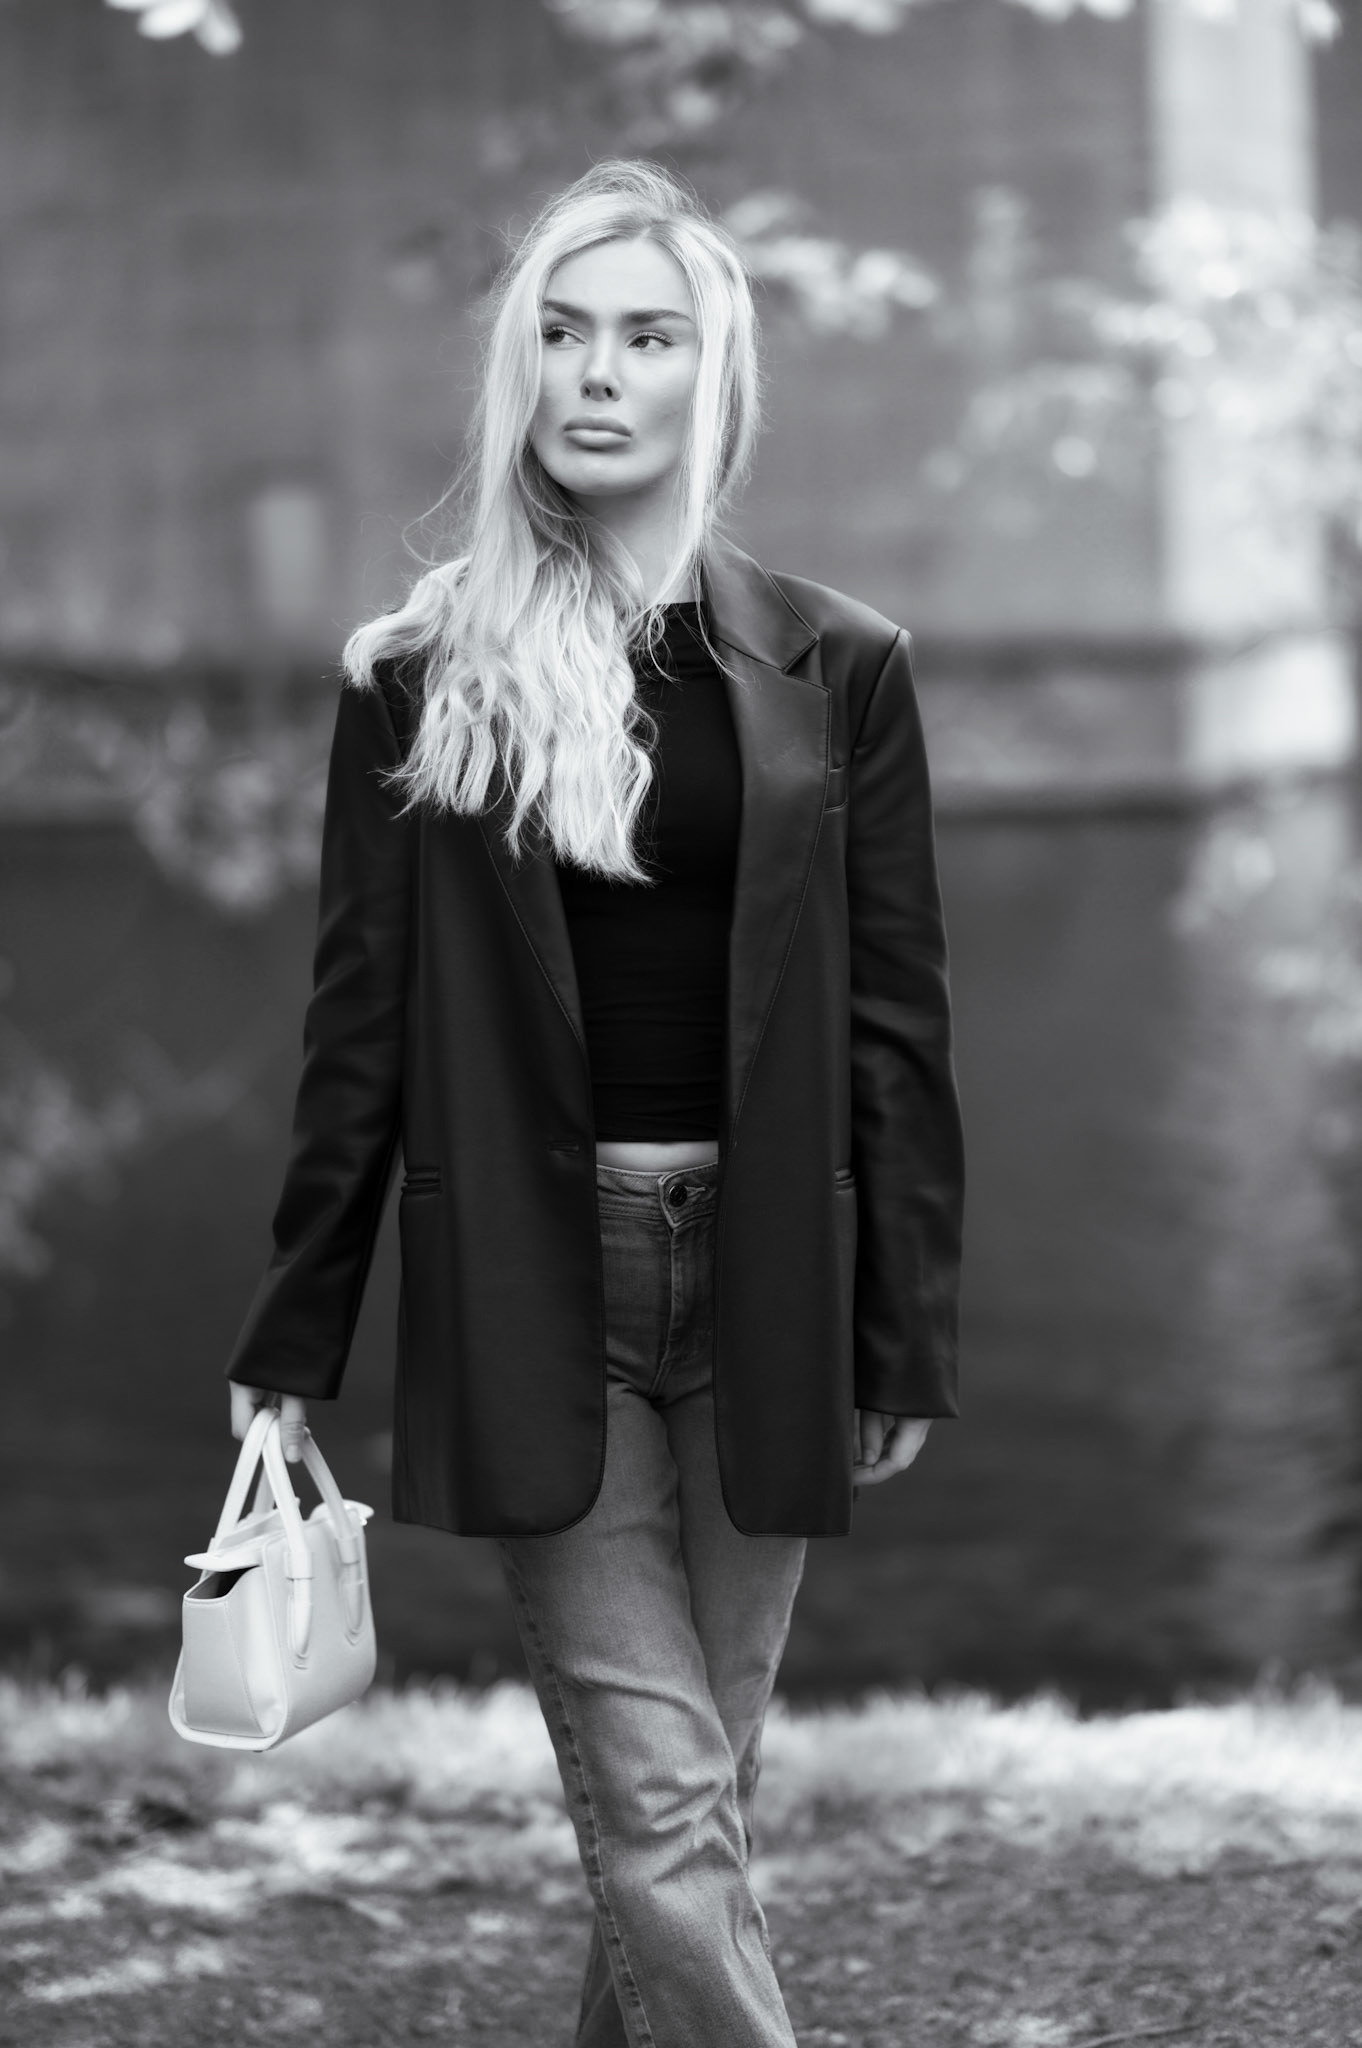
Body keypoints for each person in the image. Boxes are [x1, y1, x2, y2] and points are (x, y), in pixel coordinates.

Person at [225, 158, 964, 2048]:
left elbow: (895, 1022)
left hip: (774, 1276)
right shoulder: (420, 677)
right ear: (521, 375)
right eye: (560, 335)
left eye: (645, 336)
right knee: (659, 1806)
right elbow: (360, 1024)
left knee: (693, 1794)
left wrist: (904, 1328)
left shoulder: (842, 666)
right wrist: (297, 1328)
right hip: (538, 1274)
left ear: (714, 373)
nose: (598, 373)